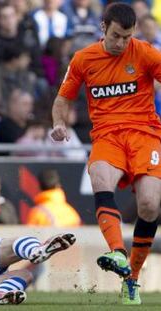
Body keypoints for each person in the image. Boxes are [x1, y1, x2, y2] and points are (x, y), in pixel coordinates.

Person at [51, 3, 161, 305]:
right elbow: (62, 99)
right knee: (100, 178)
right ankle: (117, 251)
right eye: (115, 36)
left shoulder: (146, 53)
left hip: (145, 133)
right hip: (107, 135)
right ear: (103, 28)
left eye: (127, 37)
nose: (121, 43)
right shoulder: (83, 59)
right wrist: (59, 124)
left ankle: (132, 279)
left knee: (150, 205)